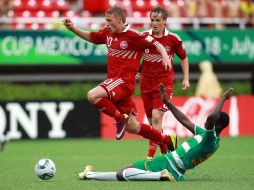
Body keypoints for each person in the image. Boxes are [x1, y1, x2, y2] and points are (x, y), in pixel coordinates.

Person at [63, 6, 177, 149]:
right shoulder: (107, 33)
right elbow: (92, 37)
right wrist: (73, 28)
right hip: (115, 84)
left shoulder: (134, 36)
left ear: (120, 20)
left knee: (92, 95)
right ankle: (167, 140)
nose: (107, 24)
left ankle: (119, 119)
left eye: (109, 21)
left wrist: (165, 55)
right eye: (106, 20)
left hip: (124, 82)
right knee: (133, 127)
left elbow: (156, 43)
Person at [78, 84, 233, 182]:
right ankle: (89, 175)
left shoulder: (210, 138)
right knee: (123, 173)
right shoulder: (207, 136)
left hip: (168, 164)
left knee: (124, 172)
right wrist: (167, 102)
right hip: (174, 167)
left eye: (211, 120)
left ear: (217, 124)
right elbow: (185, 120)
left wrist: (223, 99)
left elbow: (212, 117)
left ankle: (160, 175)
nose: (206, 119)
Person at [140, 7, 190, 159]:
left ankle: (150, 158)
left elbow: (183, 58)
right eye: (152, 20)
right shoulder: (143, 37)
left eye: (158, 20)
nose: (154, 23)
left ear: (165, 21)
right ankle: (166, 150)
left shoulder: (173, 39)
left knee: (156, 118)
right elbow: (135, 56)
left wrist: (186, 78)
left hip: (164, 84)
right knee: (153, 125)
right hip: (146, 84)